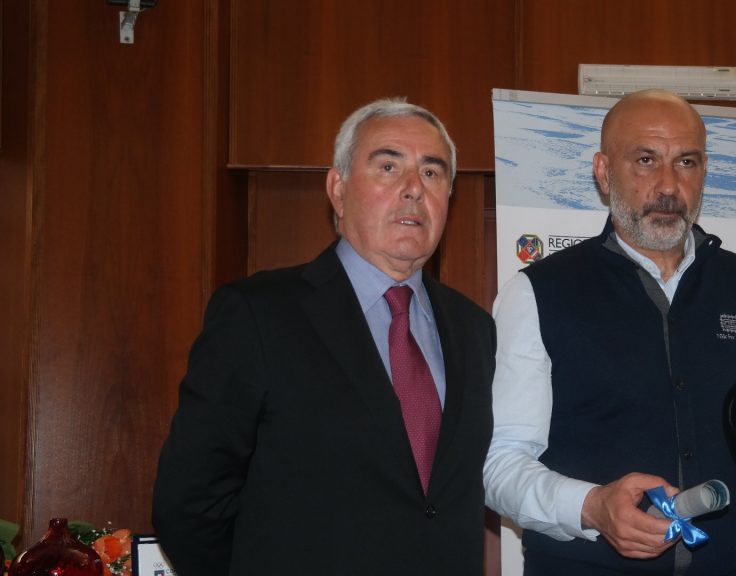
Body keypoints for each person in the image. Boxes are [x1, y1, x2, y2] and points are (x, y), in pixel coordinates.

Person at [483, 89, 736, 575]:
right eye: (646, 160)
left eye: (685, 162)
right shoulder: (538, 291)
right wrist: (591, 507)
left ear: (704, 171)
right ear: (604, 172)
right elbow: (500, 465)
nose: (668, 185)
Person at [152, 98, 496, 576]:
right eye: (388, 166)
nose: (414, 188)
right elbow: (190, 502)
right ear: (338, 189)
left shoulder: (475, 329)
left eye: (432, 173)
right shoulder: (258, 314)